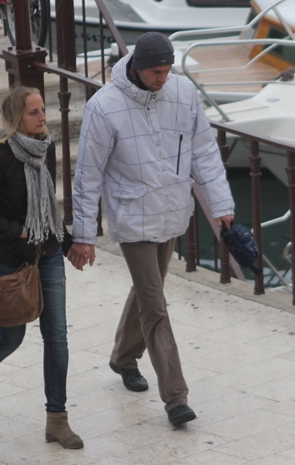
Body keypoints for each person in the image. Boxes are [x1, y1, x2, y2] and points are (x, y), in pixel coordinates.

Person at [67, 32, 235, 426]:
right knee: (155, 305)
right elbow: (87, 175)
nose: (163, 78)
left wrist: (221, 205)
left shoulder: (183, 93)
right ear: (138, 68)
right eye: (157, 72)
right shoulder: (103, 107)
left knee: (149, 290)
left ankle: (123, 357)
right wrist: (84, 236)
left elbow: (204, 152)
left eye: (167, 70)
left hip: (172, 211)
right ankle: (176, 398)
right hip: (132, 218)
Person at [0, 86, 83, 449]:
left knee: (57, 336)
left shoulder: (45, 149)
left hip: (47, 254)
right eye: (34, 112)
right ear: (17, 118)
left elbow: (48, 207)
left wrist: (68, 245)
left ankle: (57, 419)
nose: (43, 116)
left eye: (43, 109)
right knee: (11, 338)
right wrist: (18, 231)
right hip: (8, 260)